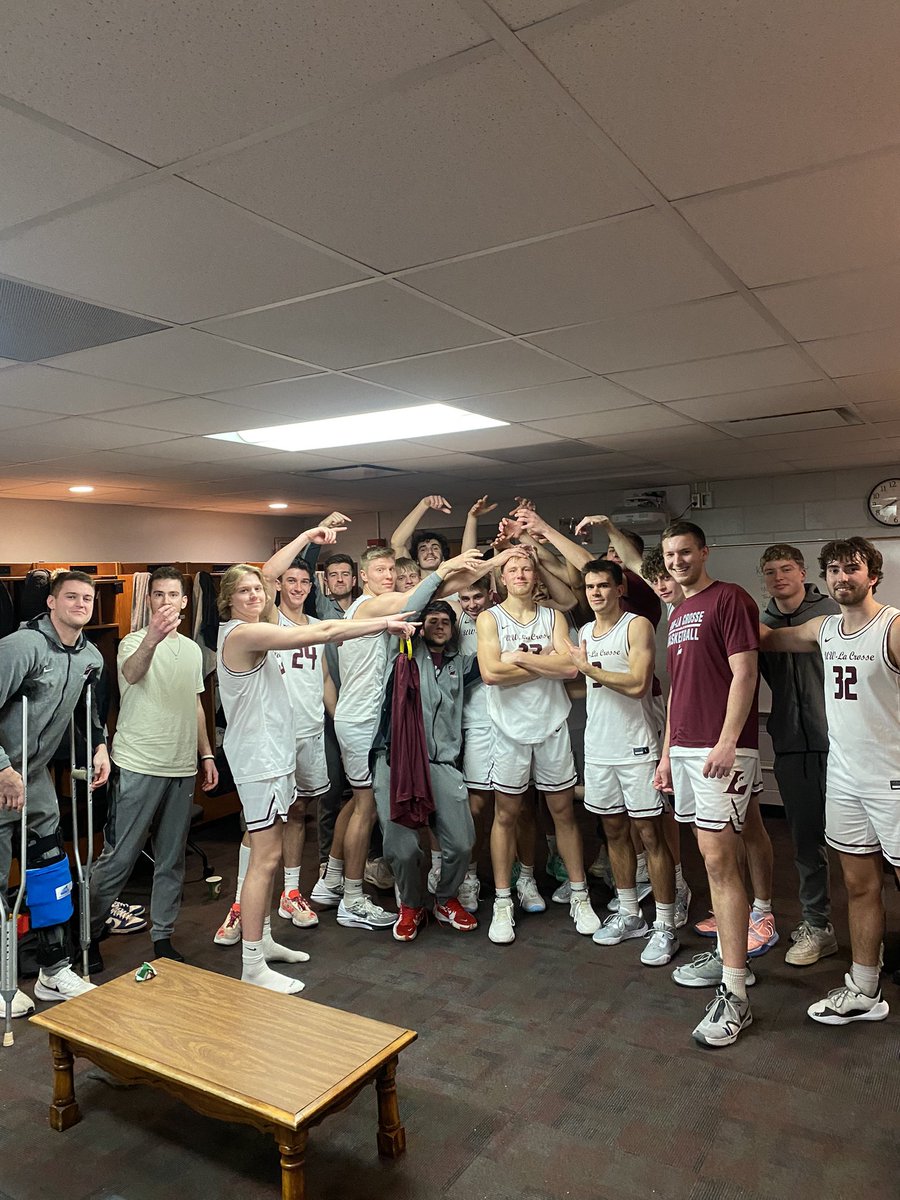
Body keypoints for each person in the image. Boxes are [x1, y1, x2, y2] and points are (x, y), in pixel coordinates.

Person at [215, 555, 416, 992]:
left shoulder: (253, 625)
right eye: (244, 591)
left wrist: (307, 538)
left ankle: (264, 940)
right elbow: (323, 632)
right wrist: (383, 623)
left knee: (271, 854)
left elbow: (282, 590)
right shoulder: (242, 633)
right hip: (259, 759)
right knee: (265, 858)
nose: (254, 595)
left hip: (272, 753)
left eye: (257, 589)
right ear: (228, 599)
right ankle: (252, 964)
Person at [760, 537, 898, 1026]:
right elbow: (767, 638)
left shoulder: (892, 627)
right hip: (845, 777)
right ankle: (863, 988)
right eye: (834, 569)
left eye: (852, 568)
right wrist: (698, 598)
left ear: (872, 575)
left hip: (892, 778)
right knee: (859, 886)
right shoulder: (824, 628)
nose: (842, 577)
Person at [316, 544, 488, 930]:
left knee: (367, 809)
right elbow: (423, 596)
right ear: (363, 576)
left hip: (419, 748)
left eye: (391, 569)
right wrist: (450, 566)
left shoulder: (449, 659)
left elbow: (437, 602)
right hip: (381, 738)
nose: (388, 575)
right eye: (379, 570)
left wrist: (492, 563)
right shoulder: (376, 616)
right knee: (375, 818)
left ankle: (336, 882)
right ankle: (362, 896)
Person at [654, 521, 760, 1048]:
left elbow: (745, 673)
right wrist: (667, 753)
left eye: (685, 552)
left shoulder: (730, 599)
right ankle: (729, 956)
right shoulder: (678, 612)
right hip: (685, 748)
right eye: (669, 555)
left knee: (719, 861)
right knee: (710, 857)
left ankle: (736, 993)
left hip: (721, 749)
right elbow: (677, 689)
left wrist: (727, 740)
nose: (676, 561)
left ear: (704, 552)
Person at [89, 567, 217, 969]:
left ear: (184, 601)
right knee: (119, 858)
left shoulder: (192, 651)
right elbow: (131, 673)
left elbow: (196, 704)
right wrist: (153, 638)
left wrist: (206, 754)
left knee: (171, 858)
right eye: (158, 594)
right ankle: (87, 933)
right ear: (149, 601)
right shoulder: (132, 642)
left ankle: (162, 936)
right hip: (138, 764)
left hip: (181, 767)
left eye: (172, 595)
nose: (165, 601)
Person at [477, 548, 600, 944]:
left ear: (535, 576)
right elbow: (491, 673)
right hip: (508, 730)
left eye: (526, 568)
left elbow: (569, 668)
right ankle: (503, 901)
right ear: (502, 578)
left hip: (551, 726)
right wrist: (543, 662)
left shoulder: (553, 617)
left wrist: (517, 658)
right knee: (506, 815)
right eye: (512, 569)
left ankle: (580, 896)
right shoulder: (489, 618)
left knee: (563, 812)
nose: (520, 574)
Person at [0, 571, 110, 1012]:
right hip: (1, 773)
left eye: (87, 598)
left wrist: (99, 746)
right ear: (50, 602)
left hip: (36, 777)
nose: (81, 604)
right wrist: (2, 768)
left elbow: (88, 712)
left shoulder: (90, 657)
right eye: (71, 597)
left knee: (50, 874)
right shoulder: (21, 647)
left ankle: (53, 971)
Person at [566, 560, 679, 967]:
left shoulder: (636, 626)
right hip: (600, 747)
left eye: (602, 585)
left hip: (637, 745)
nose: (596, 593)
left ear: (619, 589)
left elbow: (636, 684)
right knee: (613, 831)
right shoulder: (584, 633)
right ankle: (630, 912)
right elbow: (588, 686)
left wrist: (587, 669)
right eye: (589, 587)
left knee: (649, 834)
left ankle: (665, 924)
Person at [374, 600, 479, 942]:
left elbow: (497, 657)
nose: (439, 625)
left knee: (462, 843)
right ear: (420, 626)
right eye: (431, 620)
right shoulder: (403, 654)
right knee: (402, 849)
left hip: (441, 762)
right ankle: (411, 905)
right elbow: (414, 606)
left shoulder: (460, 664)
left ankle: (445, 898)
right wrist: (441, 579)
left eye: (445, 621)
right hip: (398, 760)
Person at [759, 544, 839, 966]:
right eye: (770, 571)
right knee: (806, 842)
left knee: (865, 846)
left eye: (786, 568)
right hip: (792, 745)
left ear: (803, 572)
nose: (779, 577)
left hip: (841, 743)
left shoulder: (832, 613)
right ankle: (818, 925)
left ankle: (875, 932)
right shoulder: (761, 625)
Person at [390, 494, 452, 576]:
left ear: (443, 557)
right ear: (417, 560)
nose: (430, 552)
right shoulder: (410, 578)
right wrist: (424, 504)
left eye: (435, 548)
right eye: (423, 549)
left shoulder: (454, 578)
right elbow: (397, 543)